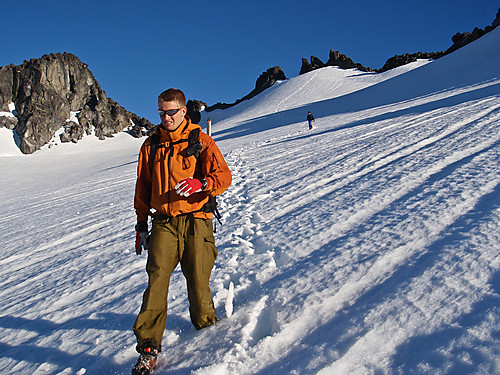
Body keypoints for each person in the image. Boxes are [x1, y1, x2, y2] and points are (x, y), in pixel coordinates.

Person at [132, 88, 232, 374]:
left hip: (197, 219)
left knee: (198, 279)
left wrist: (201, 184)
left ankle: (206, 326)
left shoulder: (200, 140)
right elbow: (143, 188)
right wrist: (141, 224)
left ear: (183, 111)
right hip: (163, 222)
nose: (165, 118)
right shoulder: (151, 146)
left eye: (171, 112)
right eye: (161, 113)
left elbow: (224, 176)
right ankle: (148, 346)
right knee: (157, 279)